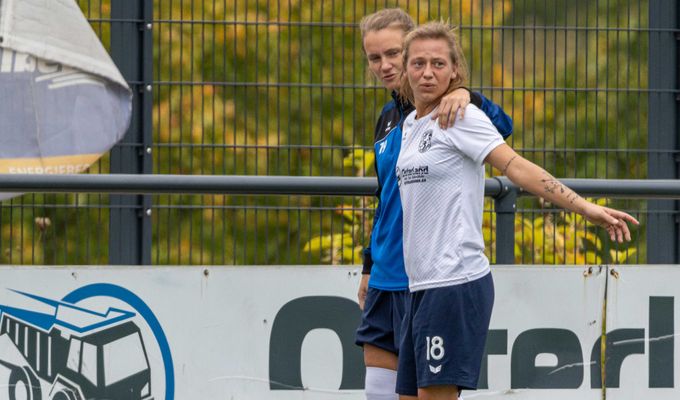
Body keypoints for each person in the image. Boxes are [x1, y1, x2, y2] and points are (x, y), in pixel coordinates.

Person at [394, 22, 639, 399]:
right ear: (406, 68)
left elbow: (516, 167)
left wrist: (585, 208)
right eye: (419, 63)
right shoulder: (411, 124)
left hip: (454, 282)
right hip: (419, 286)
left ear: (455, 69)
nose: (427, 72)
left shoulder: (462, 117)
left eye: (439, 64)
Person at [355, 9, 513, 400]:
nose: (385, 65)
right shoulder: (389, 118)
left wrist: (466, 94)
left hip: (426, 277)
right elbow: (385, 197)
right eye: (375, 58)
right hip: (384, 273)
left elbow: (500, 127)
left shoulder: (444, 107)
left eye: (393, 53)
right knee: (378, 392)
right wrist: (368, 264)